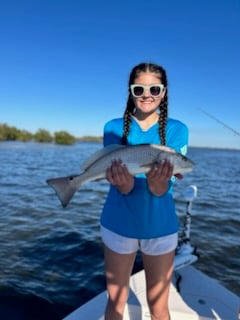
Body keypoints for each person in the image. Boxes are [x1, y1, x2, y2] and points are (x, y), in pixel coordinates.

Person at [100, 62, 188, 320]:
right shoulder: (113, 127)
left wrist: (158, 181)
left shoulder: (177, 130)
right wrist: (123, 183)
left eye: (154, 88)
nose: (146, 94)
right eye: (139, 89)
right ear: (131, 91)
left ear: (164, 92)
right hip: (118, 222)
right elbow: (123, 186)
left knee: (159, 306)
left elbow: (161, 190)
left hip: (160, 226)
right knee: (115, 303)